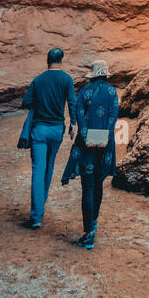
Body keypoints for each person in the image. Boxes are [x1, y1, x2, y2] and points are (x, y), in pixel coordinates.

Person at [61, 60, 119, 249]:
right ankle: (93, 225)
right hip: (105, 144)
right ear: (105, 75)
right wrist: (106, 135)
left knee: (87, 187)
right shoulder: (112, 92)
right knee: (98, 184)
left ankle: (88, 233)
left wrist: (86, 135)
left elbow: (78, 114)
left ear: (93, 75)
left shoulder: (85, 91)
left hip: (87, 145)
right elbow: (113, 116)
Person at [21, 47, 77, 229]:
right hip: (56, 130)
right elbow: (72, 103)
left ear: (47, 60)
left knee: (38, 170)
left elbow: (26, 102)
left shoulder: (38, 80)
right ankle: (41, 204)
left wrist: (40, 103)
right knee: (49, 166)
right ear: (61, 61)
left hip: (39, 130)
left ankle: (36, 216)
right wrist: (73, 123)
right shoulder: (67, 79)